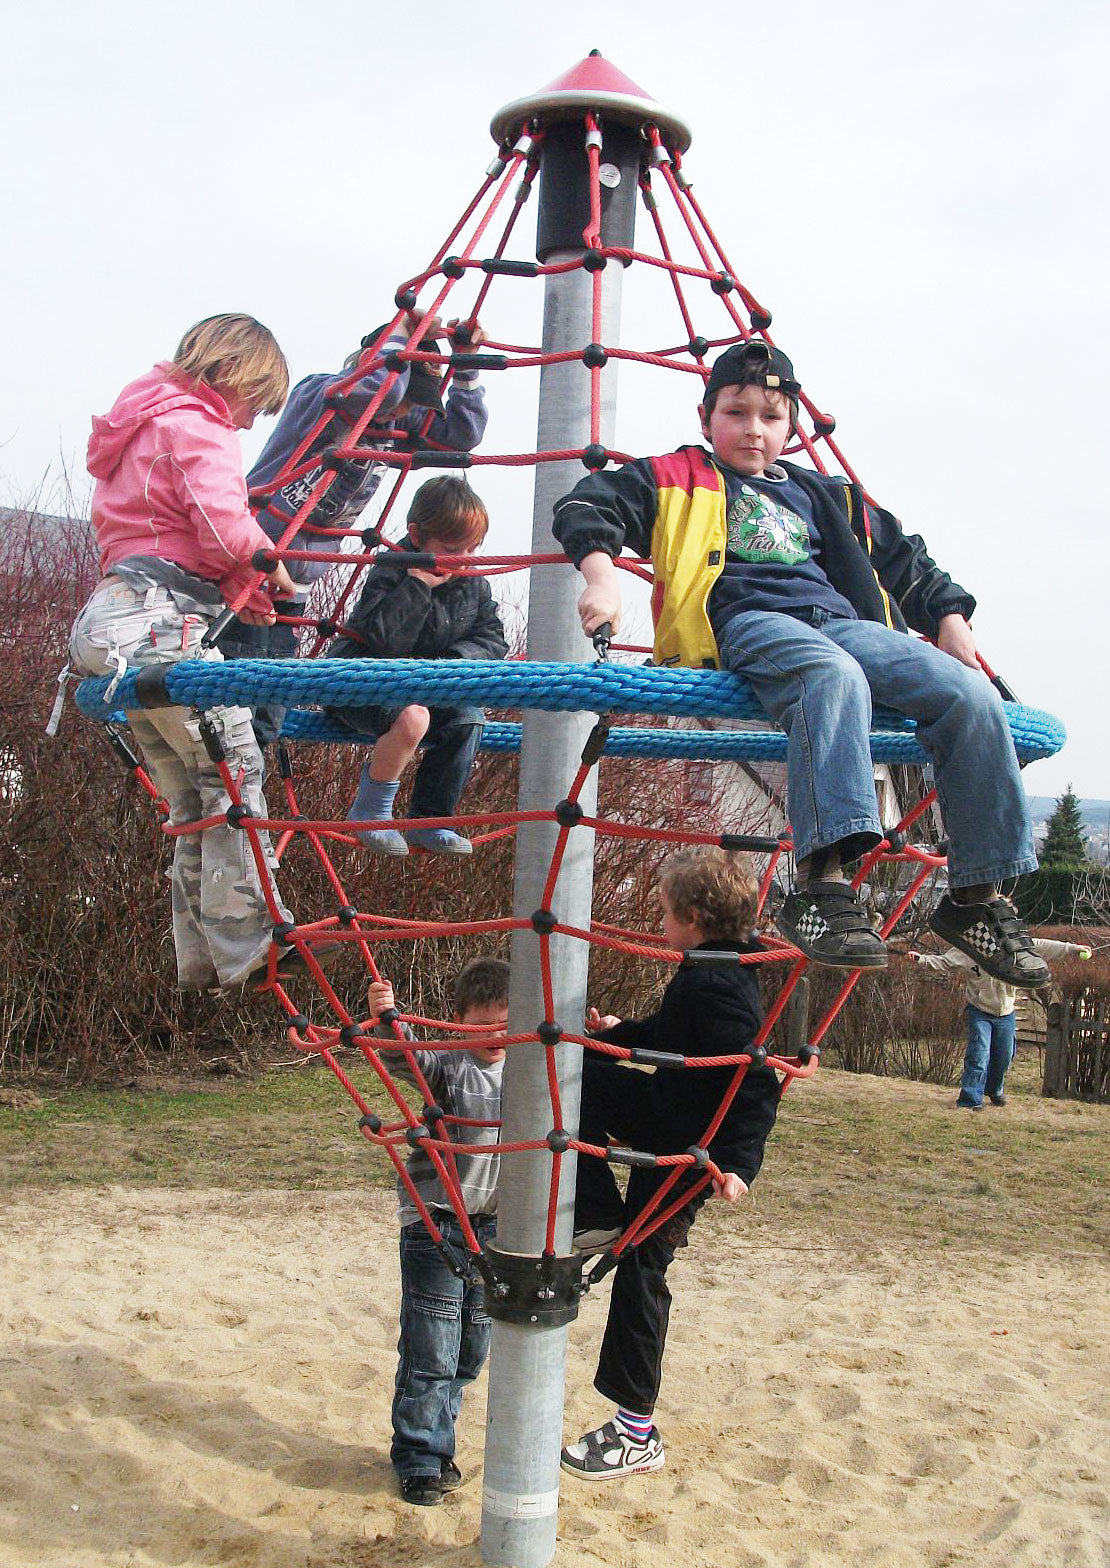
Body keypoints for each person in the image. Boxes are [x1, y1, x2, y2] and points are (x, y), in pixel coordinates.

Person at [552, 338, 1049, 990]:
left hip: (843, 626)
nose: (753, 429)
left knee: (969, 694)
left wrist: (949, 616)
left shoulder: (820, 493)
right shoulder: (679, 476)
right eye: (737, 412)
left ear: (790, 428)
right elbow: (588, 504)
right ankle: (822, 880)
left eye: (771, 416)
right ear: (707, 419)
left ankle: (976, 895)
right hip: (751, 624)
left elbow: (903, 554)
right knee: (830, 677)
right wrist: (602, 578)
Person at [68, 314, 326, 991]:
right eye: (253, 404)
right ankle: (254, 943)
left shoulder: (142, 421)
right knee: (236, 769)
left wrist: (241, 580)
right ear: (231, 374)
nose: (245, 425)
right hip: (158, 624)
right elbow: (219, 520)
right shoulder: (196, 423)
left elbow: (173, 530)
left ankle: (205, 957)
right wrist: (268, 564)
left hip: (117, 617)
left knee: (192, 798)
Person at [561, 847, 781, 1481]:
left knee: (642, 1268)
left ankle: (636, 1431)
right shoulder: (721, 964)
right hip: (675, 1121)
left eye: (662, 912)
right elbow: (673, 1036)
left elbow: (754, 1073)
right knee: (581, 1069)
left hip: (691, 1148)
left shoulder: (715, 980)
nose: (657, 922)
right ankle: (600, 1215)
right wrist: (618, 1031)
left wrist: (739, 1161)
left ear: (691, 915)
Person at [217, 312, 489, 747]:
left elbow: (461, 434)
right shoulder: (323, 394)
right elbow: (375, 392)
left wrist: (467, 365)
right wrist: (402, 331)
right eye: (407, 394)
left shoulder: (394, 427)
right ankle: (225, 804)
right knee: (230, 713)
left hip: (292, 590)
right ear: (369, 359)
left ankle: (242, 805)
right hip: (248, 567)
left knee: (265, 721)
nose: (407, 409)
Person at [367, 957, 509, 1506]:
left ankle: (436, 1439)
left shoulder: (529, 1071)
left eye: (505, 1023)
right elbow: (406, 1059)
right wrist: (387, 1019)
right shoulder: (449, 1065)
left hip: (496, 1231)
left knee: (472, 1346)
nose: (495, 1036)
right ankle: (421, 1457)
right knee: (432, 1346)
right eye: (482, 1024)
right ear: (459, 1021)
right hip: (437, 1222)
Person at [327, 475, 508, 857]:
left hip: (428, 686)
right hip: (363, 682)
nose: (462, 558)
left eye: (472, 549)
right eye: (451, 548)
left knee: (468, 718)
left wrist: (450, 665)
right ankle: (371, 811)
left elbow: (493, 640)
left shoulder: (472, 583)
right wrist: (417, 586)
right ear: (415, 535)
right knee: (413, 718)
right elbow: (383, 641)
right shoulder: (391, 568)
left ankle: (430, 818)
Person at [907, 926, 1092, 1109]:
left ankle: (994, 1090)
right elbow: (944, 961)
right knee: (978, 1055)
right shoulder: (970, 948)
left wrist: (1072, 949)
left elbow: (1041, 946)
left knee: (1004, 1056)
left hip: (1005, 1013)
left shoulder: (1014, 946)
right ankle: (970, 1099)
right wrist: (921, 959)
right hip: (979, 1011)